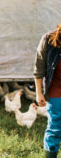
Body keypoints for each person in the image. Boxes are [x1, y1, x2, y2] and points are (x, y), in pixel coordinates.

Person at [34, 23, 61, 158]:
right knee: (55, 128)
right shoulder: (48, 40)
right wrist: (39, 93)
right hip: (56, 91)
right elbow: (39, 69)